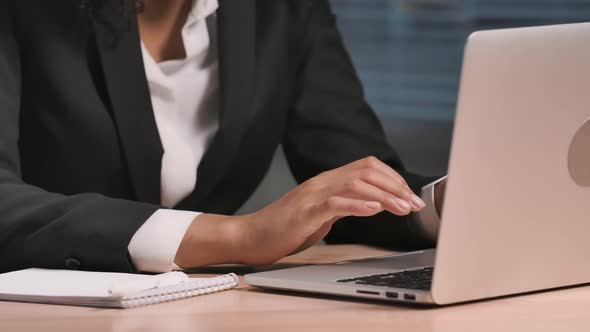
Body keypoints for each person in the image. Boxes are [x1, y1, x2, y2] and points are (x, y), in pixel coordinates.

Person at [0, 0, 446, 273]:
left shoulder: (282, 10)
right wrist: (240, 237)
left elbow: (357, 186)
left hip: (198, 309)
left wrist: (452, 202)